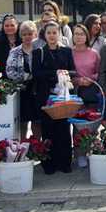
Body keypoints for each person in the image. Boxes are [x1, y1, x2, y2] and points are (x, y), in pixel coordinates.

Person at [32, 21, 74, 174]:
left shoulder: (67, 51)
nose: (52, 35)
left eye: (54, 32)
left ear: (59, 34)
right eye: (49, 33)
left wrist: (64, 76)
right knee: (48, 130)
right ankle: (49, 164)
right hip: (46, 97)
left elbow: (72, 71)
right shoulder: (38, 52)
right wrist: (55, 75)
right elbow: (36, 74)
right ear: (44, 35)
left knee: (63, 129)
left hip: (63, 96)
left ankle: (65, 163)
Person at [6, 20, 39, 140]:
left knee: (37, 120)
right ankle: (23, 144)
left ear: (35, 34)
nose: (27, 37)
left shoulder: (40, 50)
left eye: (30, 34)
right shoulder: (15, 51)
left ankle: (37, 146)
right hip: (22, 90)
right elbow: (9, 71)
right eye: (24, 34)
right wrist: (24, 77)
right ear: (21, 36)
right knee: (23, 120)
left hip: (38, 89)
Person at [71, 23, 101, 107]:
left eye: (81, 34)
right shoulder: (68, 53)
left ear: (86, 36)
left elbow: (100, 72)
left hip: (91, 91)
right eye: (76, 34)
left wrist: (91, 79)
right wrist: (77, 81)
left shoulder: (94, 53)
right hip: (73, 92)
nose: (78, 37)